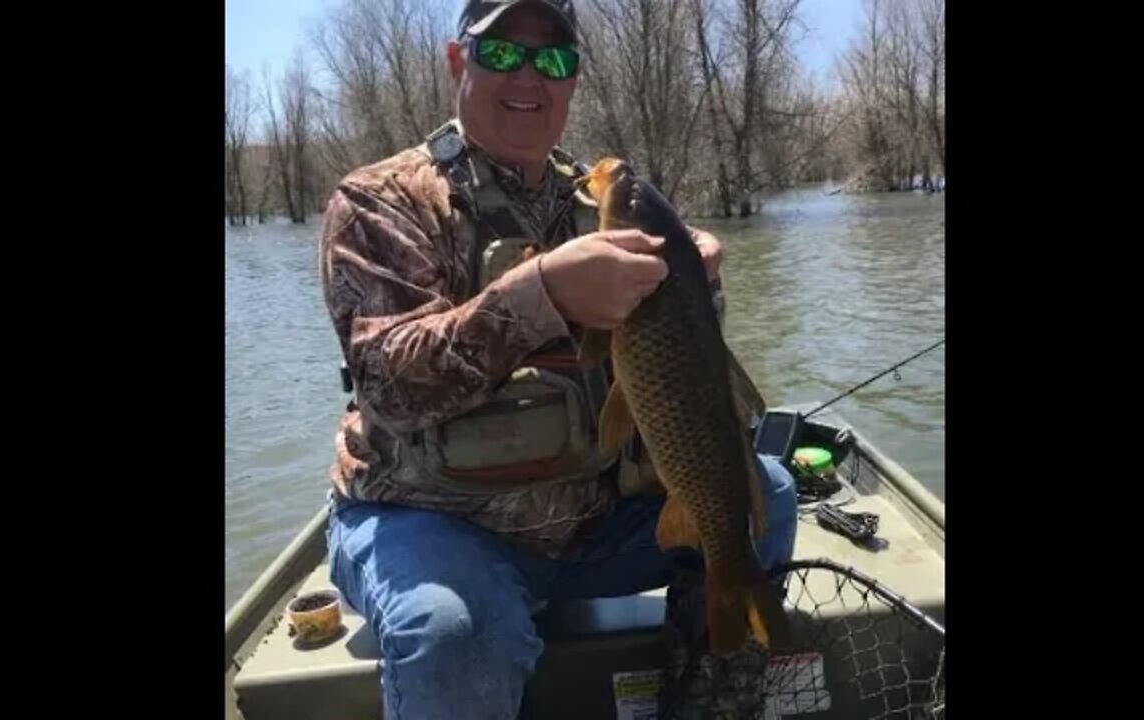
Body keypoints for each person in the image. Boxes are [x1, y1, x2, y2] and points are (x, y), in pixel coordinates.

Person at [317, 1, 798, 717]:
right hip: (435, 520)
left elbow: (678, 370)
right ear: (459, 62)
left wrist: (700, 283)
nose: (532, 76)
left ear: (573, 80)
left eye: (556, 59)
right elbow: (389, 384)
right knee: (454, 633)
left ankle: (706, 685)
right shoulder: (380, 203)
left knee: (769, 495)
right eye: (505, 53)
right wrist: (541, 293)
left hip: (589, 524)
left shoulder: (596, 198)